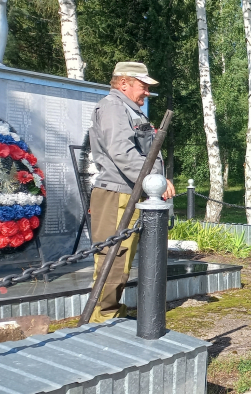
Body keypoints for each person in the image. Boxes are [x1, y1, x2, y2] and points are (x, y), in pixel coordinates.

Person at [88, 62, 175, 323]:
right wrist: (154, 179)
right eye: (143, 85)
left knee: (122, 258)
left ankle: (109, 310)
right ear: (123, 83)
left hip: (130, 191)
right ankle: (102, 318)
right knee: (114, 256)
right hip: (117, 192)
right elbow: (122, 152)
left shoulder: (129, 109)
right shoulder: (113, 107)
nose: (147, 91)